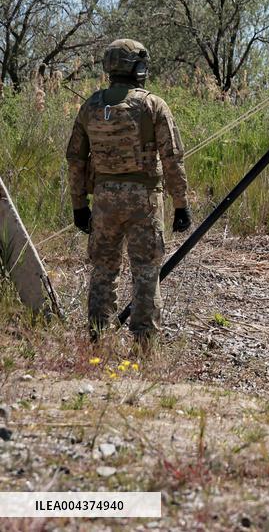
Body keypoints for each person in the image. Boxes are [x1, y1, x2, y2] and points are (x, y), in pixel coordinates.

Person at [66, 39, 191, 349]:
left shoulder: (90, 106)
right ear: (137, 67)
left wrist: (79, 205)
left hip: (104, 201)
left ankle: (97, 342)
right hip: (145, 201)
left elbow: (76, 159)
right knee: (146, 274)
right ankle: (144, 348)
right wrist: (181, 204)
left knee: (103, 272)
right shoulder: (153, 105)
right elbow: (172, 157)